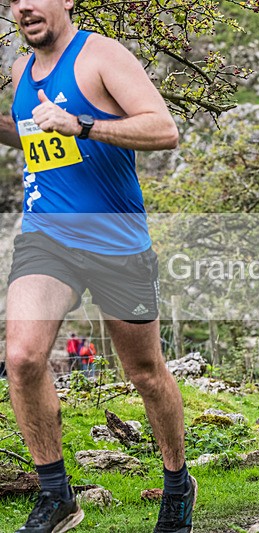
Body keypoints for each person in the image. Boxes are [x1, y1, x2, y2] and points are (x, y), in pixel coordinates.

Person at [0, 2, 192, 532]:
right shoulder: (21, 70)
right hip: (47, 238)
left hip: (117, 244)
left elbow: (164, 129)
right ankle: (56, 493)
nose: (23, 7)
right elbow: (32, 137)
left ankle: (177, 482)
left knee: (146, 374)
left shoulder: (101, 55)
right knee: (22, 357)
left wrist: (81, 123)